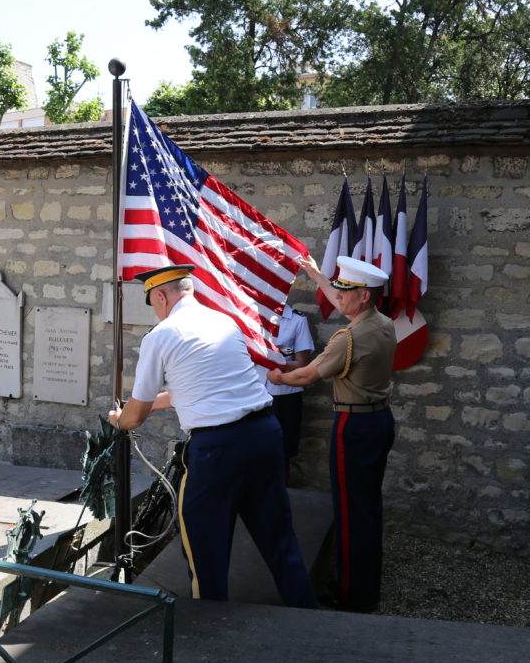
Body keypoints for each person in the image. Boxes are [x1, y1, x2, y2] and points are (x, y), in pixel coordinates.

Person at [107, 264, 316, 608]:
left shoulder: (161, 335)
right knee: (277, 535)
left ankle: (209, 626)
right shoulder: (223, 321)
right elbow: (194, 386)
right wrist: (145, 408)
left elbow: (136, 414)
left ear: (160, 295)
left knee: (205, 546)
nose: (156, 310)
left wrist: (119, 419)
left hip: (217, 448)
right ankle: (308, 613)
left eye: (153, 303)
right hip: (264, 434)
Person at [268, 254, 394, 613]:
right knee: (366, 507)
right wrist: (317, 275)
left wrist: (276, 376)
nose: (338, 298)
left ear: (364, 296)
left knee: (351, 511)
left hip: (353, 427)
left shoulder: (348, 338)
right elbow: (344, 301)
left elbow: (306, 375)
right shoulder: (381, 323)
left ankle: (352, 595)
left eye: (345, 293)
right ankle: (366, 584)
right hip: (378, 421)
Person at [262, 303, 314, 471]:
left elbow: (302, 362)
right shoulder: (248, 313)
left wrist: (279, 365)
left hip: (283, 394)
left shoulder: (297, 320)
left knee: (281, 451)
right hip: (253, 390)